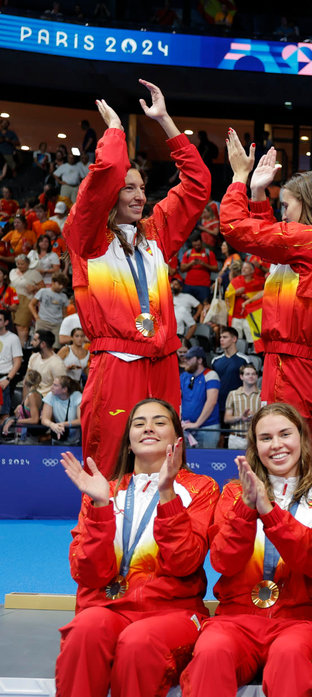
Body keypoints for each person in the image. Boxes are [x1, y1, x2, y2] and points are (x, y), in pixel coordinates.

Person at [66, 80, 211, 473]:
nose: (138, 195)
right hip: (116, 361)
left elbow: (197, 186)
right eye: (128, 187)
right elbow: (107, 171)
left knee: (168, 465)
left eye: (142, 187)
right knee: (110, 463)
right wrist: (114, 131)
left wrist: (166, 122)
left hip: (162, 361)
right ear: (110, 192)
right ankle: (102, 533)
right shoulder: (89, 238)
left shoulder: (156, 233)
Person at [54, 398, 219, 697]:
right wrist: (101, 506)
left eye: (160, 422)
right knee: (85, 629)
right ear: (128, 440)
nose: (148, 428)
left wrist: (168, 494)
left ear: (177, 439)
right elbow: (88, 574)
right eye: (139, 423)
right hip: (107, 607)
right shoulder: (104, 488)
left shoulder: (200, 488)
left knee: (138, 642)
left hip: (171, 612)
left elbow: (184, 562)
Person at [180, 403, 312, 697]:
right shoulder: (233, 494)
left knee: (290, 657)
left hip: (298, 622)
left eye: (285, 434)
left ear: (303, 440)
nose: (276, 445)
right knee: (210, 654)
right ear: (255, 447)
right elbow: (223, 561)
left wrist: (269, 510)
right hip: (234, 620)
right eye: (265, 438)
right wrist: (247, 508)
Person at [222, 130, 312, 448]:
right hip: (298, 367)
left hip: (291, 370)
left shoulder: (311, 240)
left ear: (305, 205)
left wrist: (239, 177)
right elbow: (270, 243)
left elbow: (236, 229)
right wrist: (258, 193)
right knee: (291, 465)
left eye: (286, 206)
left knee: (283, 467)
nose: (283, 214)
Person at [180, 346, 221, 448]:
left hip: (208, 428)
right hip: (186, 427)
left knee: (208, 460)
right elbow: (178, 399)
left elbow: (211, 402)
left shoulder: (210, 375)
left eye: (189, 358)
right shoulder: (184, 376)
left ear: (199, 360)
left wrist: (197, 424)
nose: (186, 361)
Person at [212, 326, 248, 420]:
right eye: (220, 337)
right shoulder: (215, 361)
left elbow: (249, 383)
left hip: (237, 404)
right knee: (220, 434)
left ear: (234, 339)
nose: (221, 340)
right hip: (218, 403)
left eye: (225, 337)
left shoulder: (244, 360)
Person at [1, 369, 43, 440]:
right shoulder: (33, 394)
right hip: (23, 434)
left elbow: (35, 419)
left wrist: (14, 421)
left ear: (25, 381)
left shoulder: (32, 396)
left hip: (28, 437)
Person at [41, 375, 82, 444]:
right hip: (57, 440)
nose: (51, 387)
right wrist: (53, 425)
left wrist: (63, 424)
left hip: (75, 442)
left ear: (64, 389)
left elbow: (81, 420)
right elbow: (44, 419)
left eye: (55, 385)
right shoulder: (50, 395)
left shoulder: (77, 396)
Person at [178, 234, 218, 303]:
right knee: (186, 304)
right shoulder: (188, 253)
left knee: (205, 305)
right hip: (189, 285)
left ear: (201, 242)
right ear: (192, 244)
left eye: (198, 245)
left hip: (204, 285)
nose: (197, 246)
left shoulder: (208, 253)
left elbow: (216, 269)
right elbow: (182, 269)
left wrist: (204, 264)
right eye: (195, 245)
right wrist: (191, 263)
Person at [31, 273, 69, 340]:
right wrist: (36, 316)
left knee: (56, 345)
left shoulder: (64, 296)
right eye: (59, 284)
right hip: (43, 321)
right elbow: (31, 304)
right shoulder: (43, 291)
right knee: (38, 343)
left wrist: (64, 324)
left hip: (57, 324)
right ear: (53, 282)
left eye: (63, 285)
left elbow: (64, 313)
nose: (61, 287)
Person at [27, 329, 66, 394]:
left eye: (35, 340)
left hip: (48, 400)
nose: (31, 343)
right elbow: (27, 381)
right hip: (32, 396)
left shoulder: (57, 364)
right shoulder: (34, 357)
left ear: (43, 344)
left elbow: (61, 388)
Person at [0, 309, 21, 417]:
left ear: (6, 322)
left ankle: (3, 433)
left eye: (0, 320)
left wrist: (8, 379)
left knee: (4, 413)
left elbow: (17, 362)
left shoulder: (13, 338)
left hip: (4, 378)